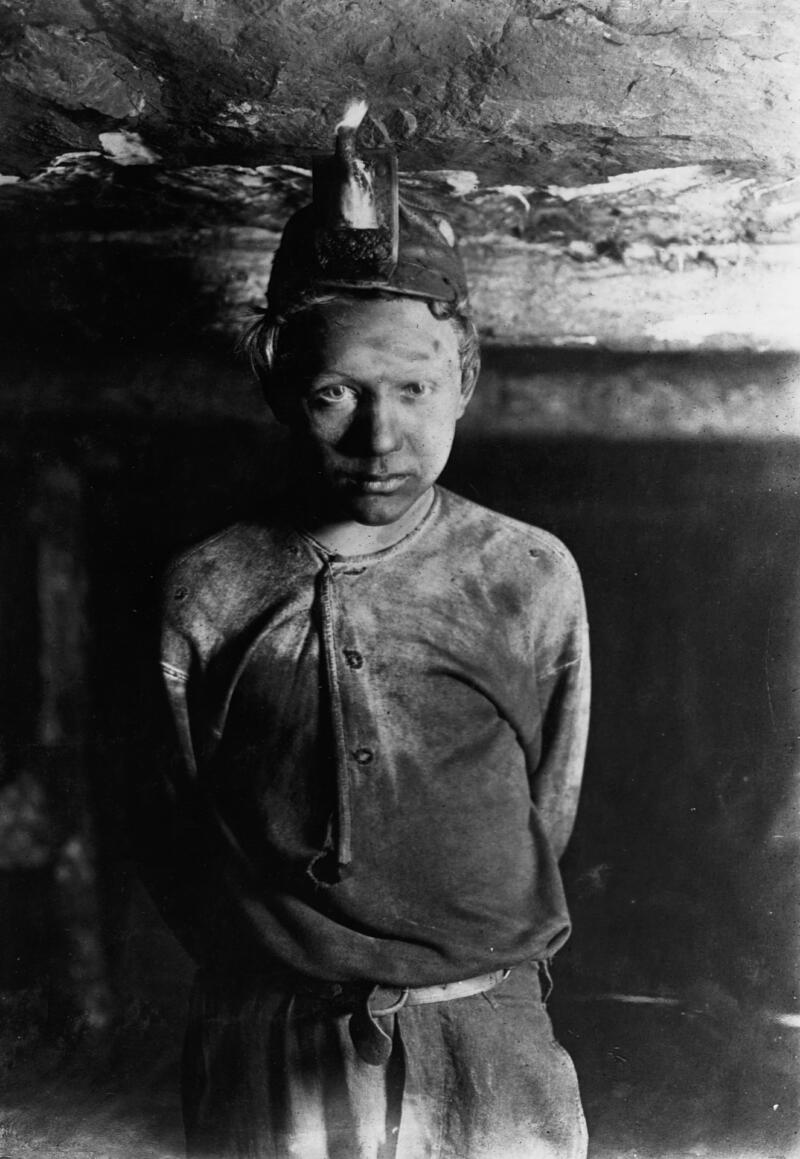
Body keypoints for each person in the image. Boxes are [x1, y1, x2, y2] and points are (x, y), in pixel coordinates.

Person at [150, 100, 591, 1159]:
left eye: (412, 388)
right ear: (274, 386)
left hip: (482, 1034)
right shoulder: (208, 585)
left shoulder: (524, 573)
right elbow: (172, 824)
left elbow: (551, 802)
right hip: (271, 1034)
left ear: (464, 383)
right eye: (333, 393)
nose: (379, 435)